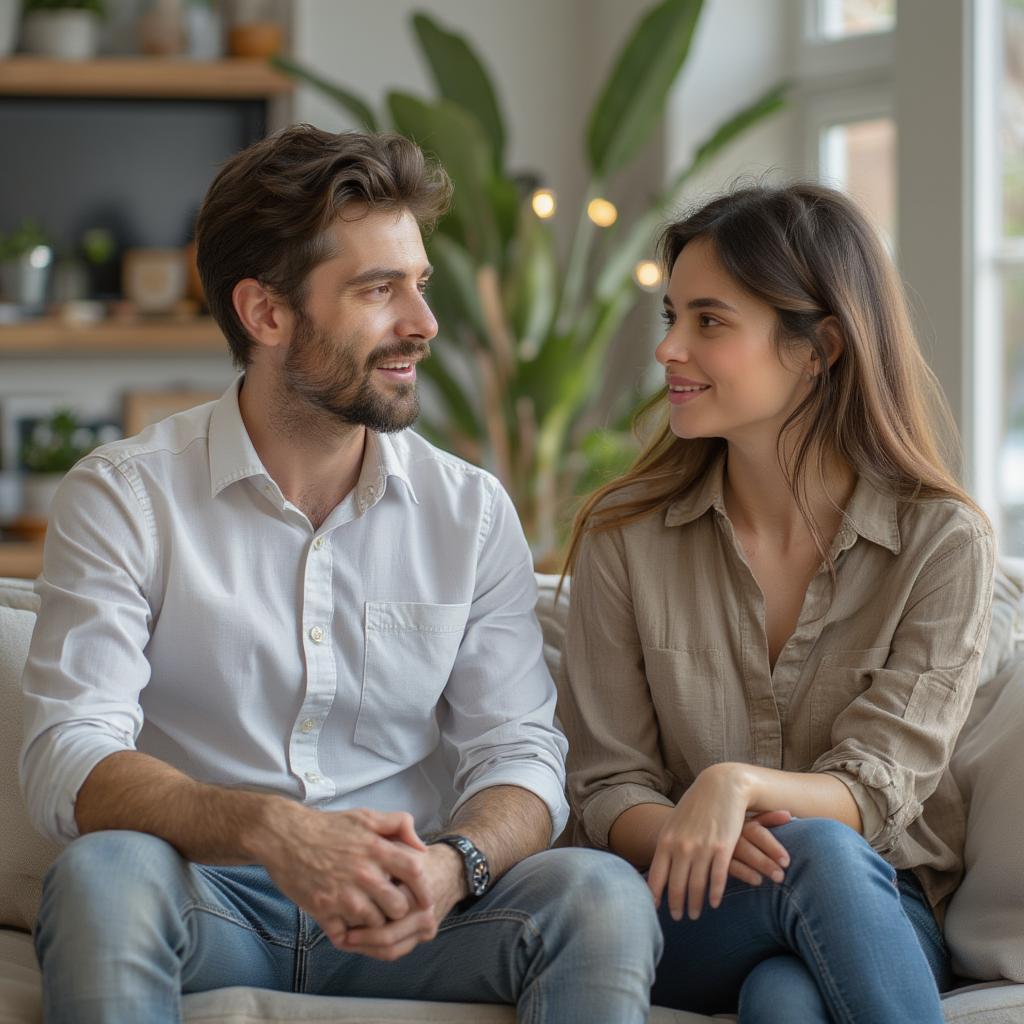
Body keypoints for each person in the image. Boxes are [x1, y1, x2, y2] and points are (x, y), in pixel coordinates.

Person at [19, 125, 661, 1024]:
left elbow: (519, 753)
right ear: (267, 313)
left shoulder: (469, 512)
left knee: (596, 892)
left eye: (420, 285)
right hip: (213, 901)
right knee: (103, 872)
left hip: (414, 917)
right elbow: (69, 755)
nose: (423, 325)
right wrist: (272, 832)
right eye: (377, 290)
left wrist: (454, 866)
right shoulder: (127, 496)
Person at [557, 182, 995, 1023]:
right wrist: (711, 828)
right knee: (816, 855)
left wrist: (736, 785)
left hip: (883, 906)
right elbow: (609, 785)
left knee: (787, 1001)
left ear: (818, 347)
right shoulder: (625, 535)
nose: (669, 351)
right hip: (688, 908)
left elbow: (882, 787)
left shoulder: (941, 542)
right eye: (670, 317)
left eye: (709, 322)